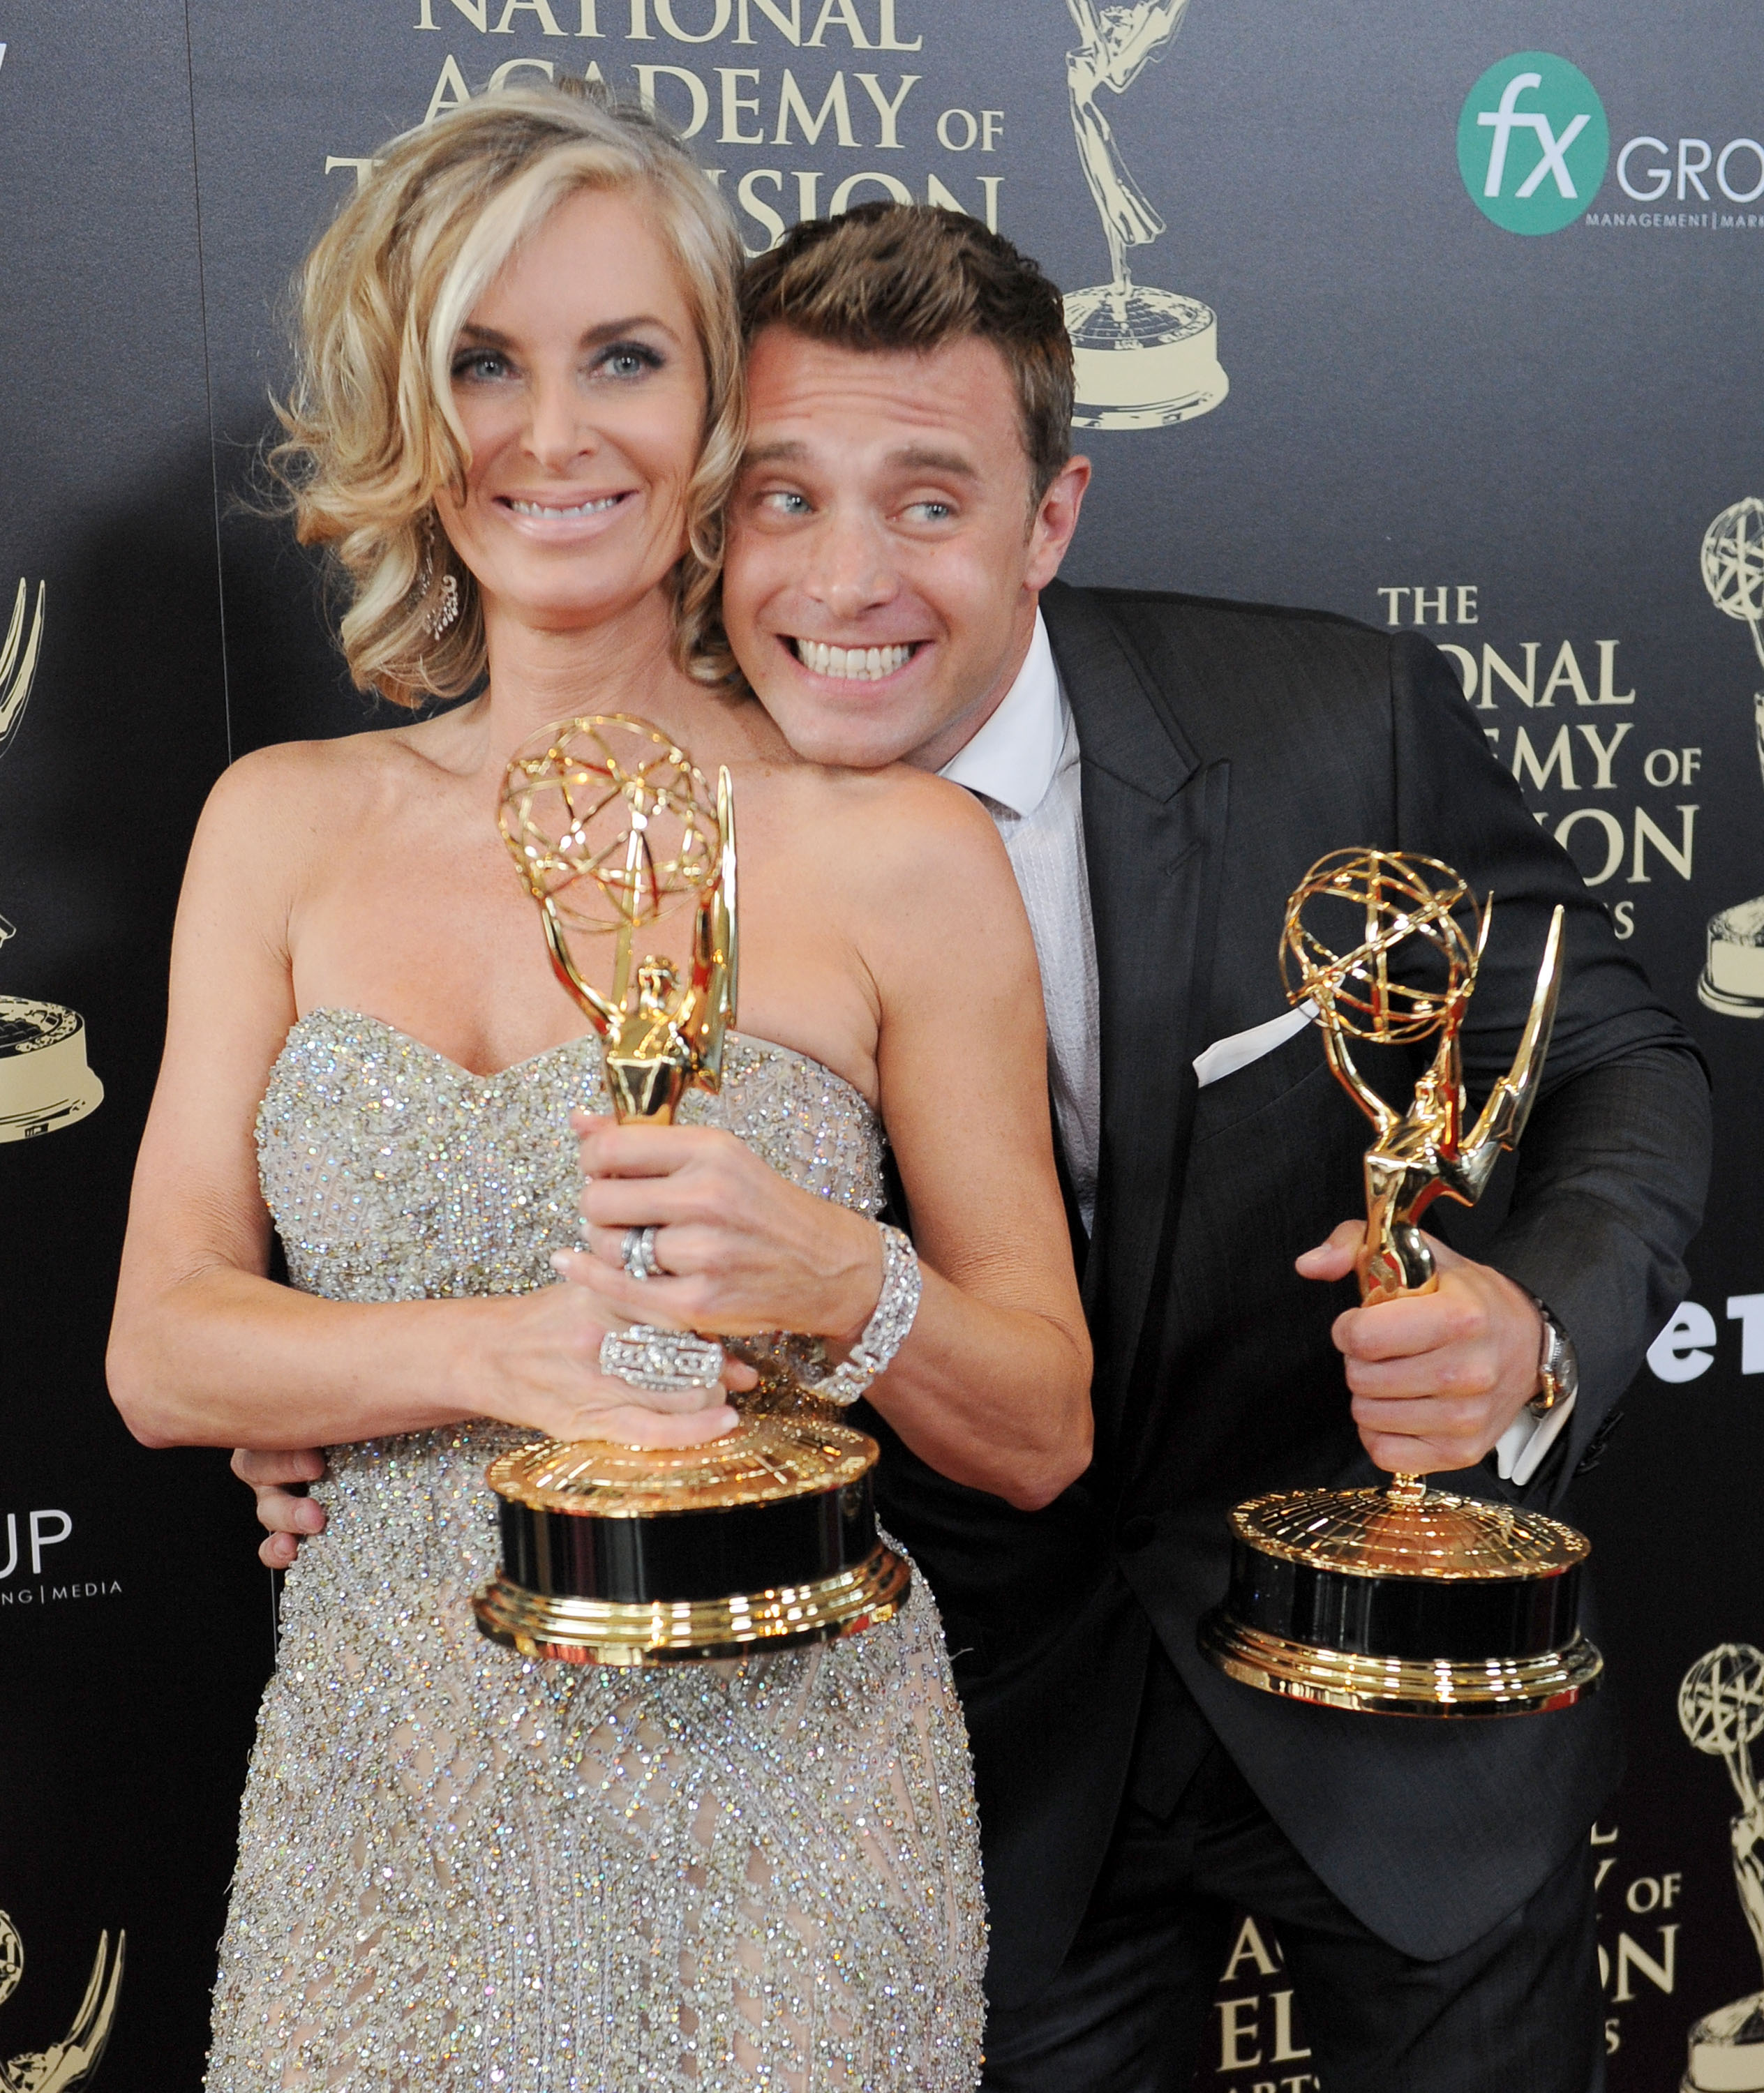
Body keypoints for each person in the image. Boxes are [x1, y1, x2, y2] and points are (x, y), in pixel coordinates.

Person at [246, 202, 1712, 2090]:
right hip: (965, 1750)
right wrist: (351, 1408)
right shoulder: (637, 826)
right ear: (707, 508)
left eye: (929, 504)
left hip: (1379, 1691)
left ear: (1053, 520)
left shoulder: (1335, 725)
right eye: (782, 498)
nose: (846, 579)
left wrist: (1535, 1322)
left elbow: (1622, 1059)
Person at [107, 98, 1096, 2093]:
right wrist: (507, 1353)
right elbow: (164, 1352)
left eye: (624, 358)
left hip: (792, 1837)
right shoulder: (278, 829)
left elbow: (1042, 1425)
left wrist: (841, 1277)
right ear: (408, 402)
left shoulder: (892, 848)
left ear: (718, 408)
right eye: (485, 361)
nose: (554, 436)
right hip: (378, 1821)